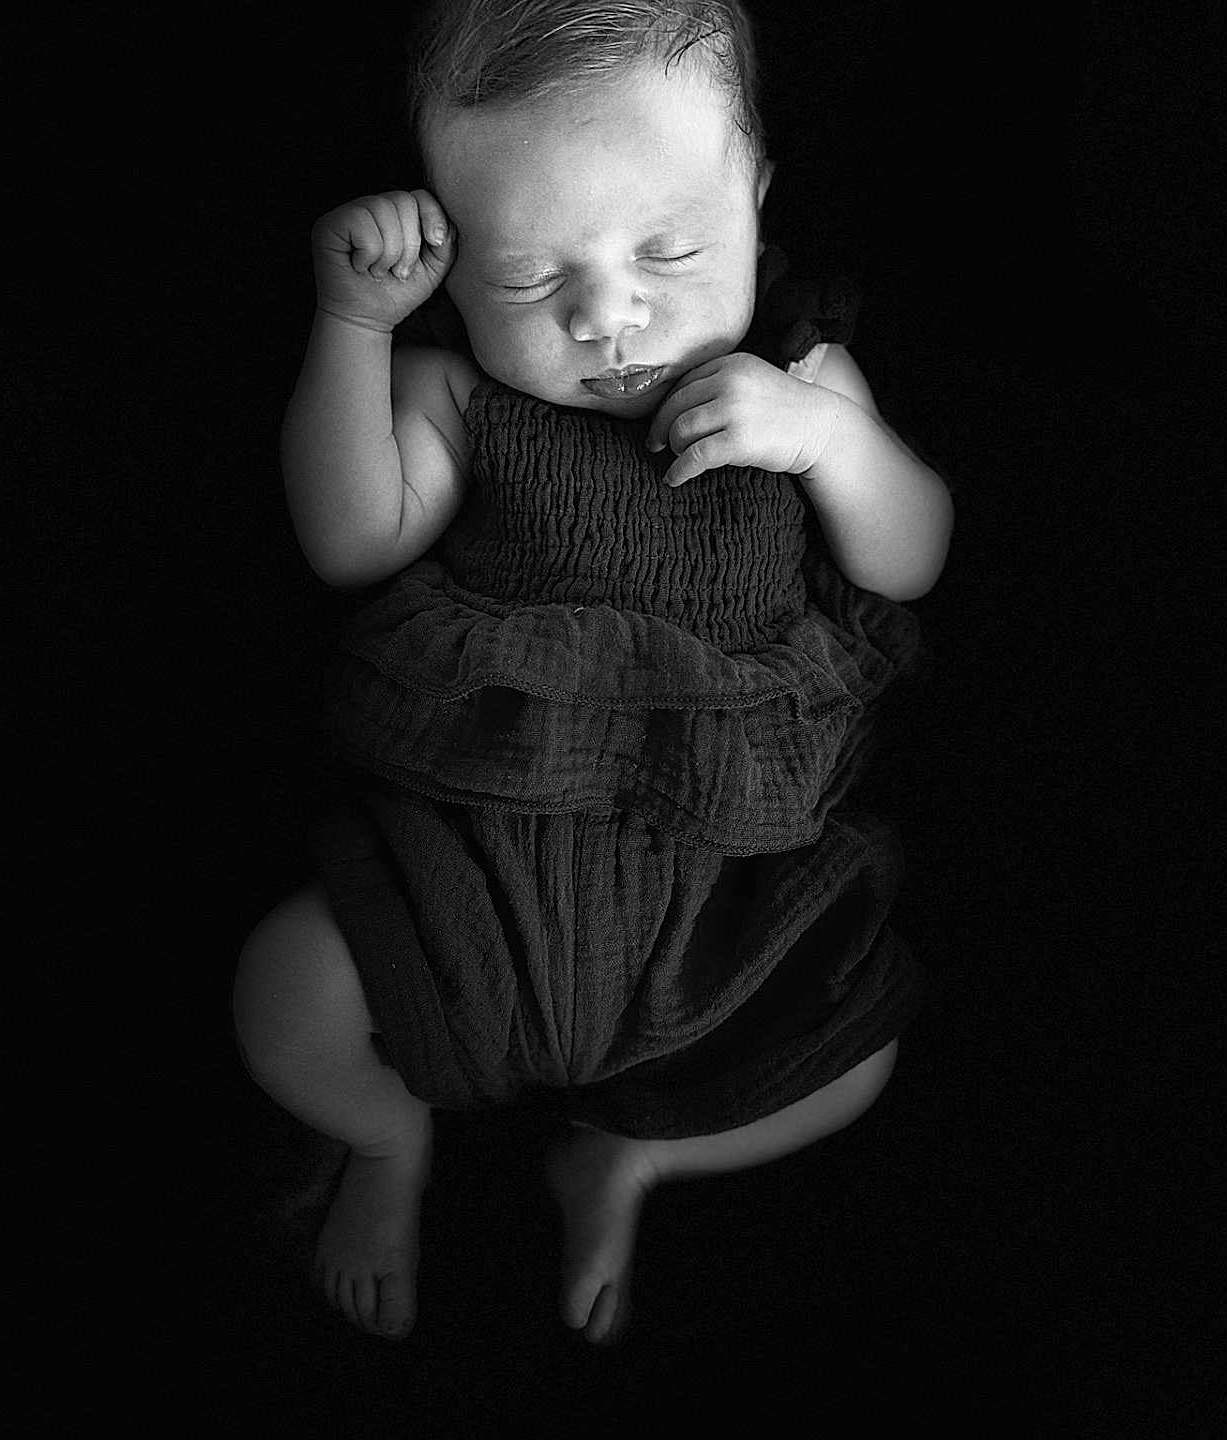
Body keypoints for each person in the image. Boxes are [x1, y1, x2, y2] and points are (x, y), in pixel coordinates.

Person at [233, 0, 954, 1347]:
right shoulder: (459, 398)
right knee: (282, 992)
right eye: (526, 278)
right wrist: (351, 325)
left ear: (758, 196)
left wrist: (827, 443)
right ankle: (385, 1135)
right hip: (472, 886)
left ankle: (635, 1157)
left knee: (859, 1058)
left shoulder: (806, 377)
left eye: (670, 250)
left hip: (723, 920)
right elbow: (347, 538)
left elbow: (911, 557)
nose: (608, 316)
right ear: (451, 268)